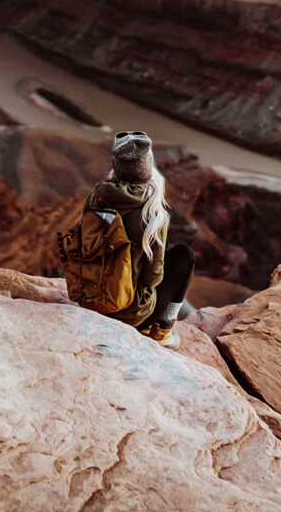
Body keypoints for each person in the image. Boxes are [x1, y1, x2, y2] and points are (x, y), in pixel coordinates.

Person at [81, 130, 195, 349]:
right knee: (184, 255)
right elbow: (153, 277)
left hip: (88, 298)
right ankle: (162, 330)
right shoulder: (152, 214)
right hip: (129, 314)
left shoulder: (97, 196)